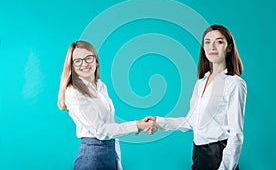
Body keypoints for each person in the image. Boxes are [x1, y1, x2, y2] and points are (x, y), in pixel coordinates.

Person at [146, 25, 247, 170]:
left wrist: (225, 168)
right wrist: (158, 121)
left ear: (229, 47)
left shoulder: (234, 83)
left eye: (219, 42)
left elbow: (236, 134)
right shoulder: (201, 82)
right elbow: (190, 122)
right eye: (207, 42)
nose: (212, 46)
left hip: (218, 156)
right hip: (199, 155)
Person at [58, 40, 161, 170]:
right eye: (77, 61)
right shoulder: (73, 92)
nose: (84, 64)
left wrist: (140, 125)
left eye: (88, 58)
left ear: (96, 60)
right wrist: (136, 125)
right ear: (71, 66)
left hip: (109, 150)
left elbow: (109, 125)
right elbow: (101, 131)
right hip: (93, 157)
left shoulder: (100, 86)